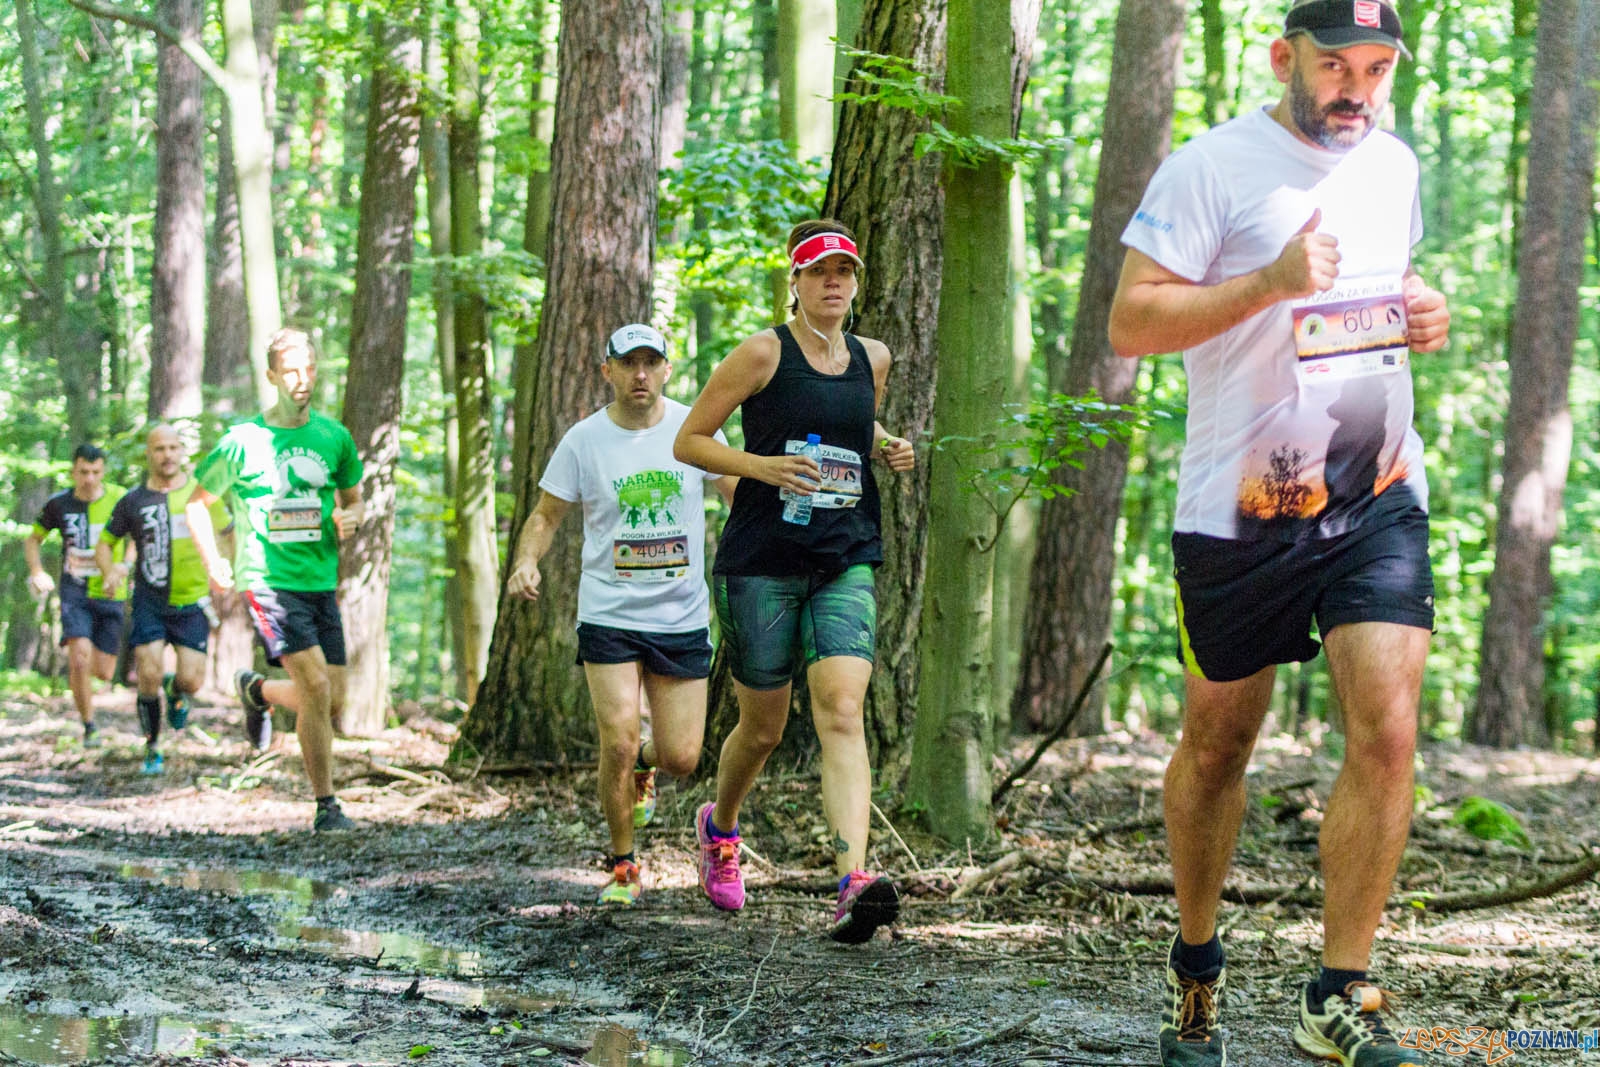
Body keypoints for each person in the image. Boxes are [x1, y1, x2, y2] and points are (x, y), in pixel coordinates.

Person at [1106, 1, 1450, 1064]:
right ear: (1282, 57)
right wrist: (1266, 283)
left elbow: (1378, 298)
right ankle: (1197, 964)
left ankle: (1339, 989)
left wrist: (1420, 304)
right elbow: (1129, 322)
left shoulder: (1393, 167)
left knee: (1388, 728)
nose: (1355, 86)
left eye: (1375, 67)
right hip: (1242, 506)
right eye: (1334, 64)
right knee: (1219, 745)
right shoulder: (1209, 168)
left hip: (1376, 487)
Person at [674, 220, 916, 943]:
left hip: (844, 554)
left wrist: (885, 442)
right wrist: (763, 466)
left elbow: (849, 426)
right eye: (819, 272)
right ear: (797, 282)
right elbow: (690, 440)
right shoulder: (760, 352)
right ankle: (719, 828)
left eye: (845, 270)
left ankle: (852, 884)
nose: (834, 282)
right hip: (762, 560)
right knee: (765, 727)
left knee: (842, 709)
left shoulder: (873, 357)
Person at [506, 323, 737, 906]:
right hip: (608, 612)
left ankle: (645, 767)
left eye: (650, 363)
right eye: (628, 364)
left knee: (681, 756)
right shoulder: (584, 441)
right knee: (617, 739)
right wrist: (526, 562)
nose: (640, 375)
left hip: (681, 615)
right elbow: (546, 515)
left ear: (666, 369)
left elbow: (740, 493)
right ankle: (623, 864)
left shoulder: (696, 428)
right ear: (605, 370)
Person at [185, 327, 365, 833]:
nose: (301, 379)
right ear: (271, 376)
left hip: (320, 580)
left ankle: (259, 692)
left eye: (308, 368)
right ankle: (326, 805)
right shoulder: (242, 442)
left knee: (333, 697)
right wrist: (212, 561)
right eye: (290, 370)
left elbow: (355, 500)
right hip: (267, 580)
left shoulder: (335, 437)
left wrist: (353, 518)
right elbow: (196, 504)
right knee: (313, 684)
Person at [96, 425, 228, 776]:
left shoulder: (201, 495)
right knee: (149, 672)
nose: (167, 455)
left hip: (193, 601)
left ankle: (177, 691)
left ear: (182, 451)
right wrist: (109, 572)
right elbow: (105, 543)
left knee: (192, 680)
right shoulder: (133, 501)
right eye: (159, 449)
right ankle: (152, 747)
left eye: (173, 447)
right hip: (149, 601)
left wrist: (229, 568)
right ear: (149, 455)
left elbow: (229, 533)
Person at [24, 443, 129, 748]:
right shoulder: (59, 504)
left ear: (103, 471)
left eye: (96, 472)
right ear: (74, 470)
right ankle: (89, 725)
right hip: (75, 591)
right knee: (79, 657)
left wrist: (125, 564)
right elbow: (34, 540)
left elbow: (135, 535)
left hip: (110, 589)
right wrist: (36, 571)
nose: (90, 478)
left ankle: (91, 700)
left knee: (104, 671)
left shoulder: (119, 499)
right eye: (83, 471)